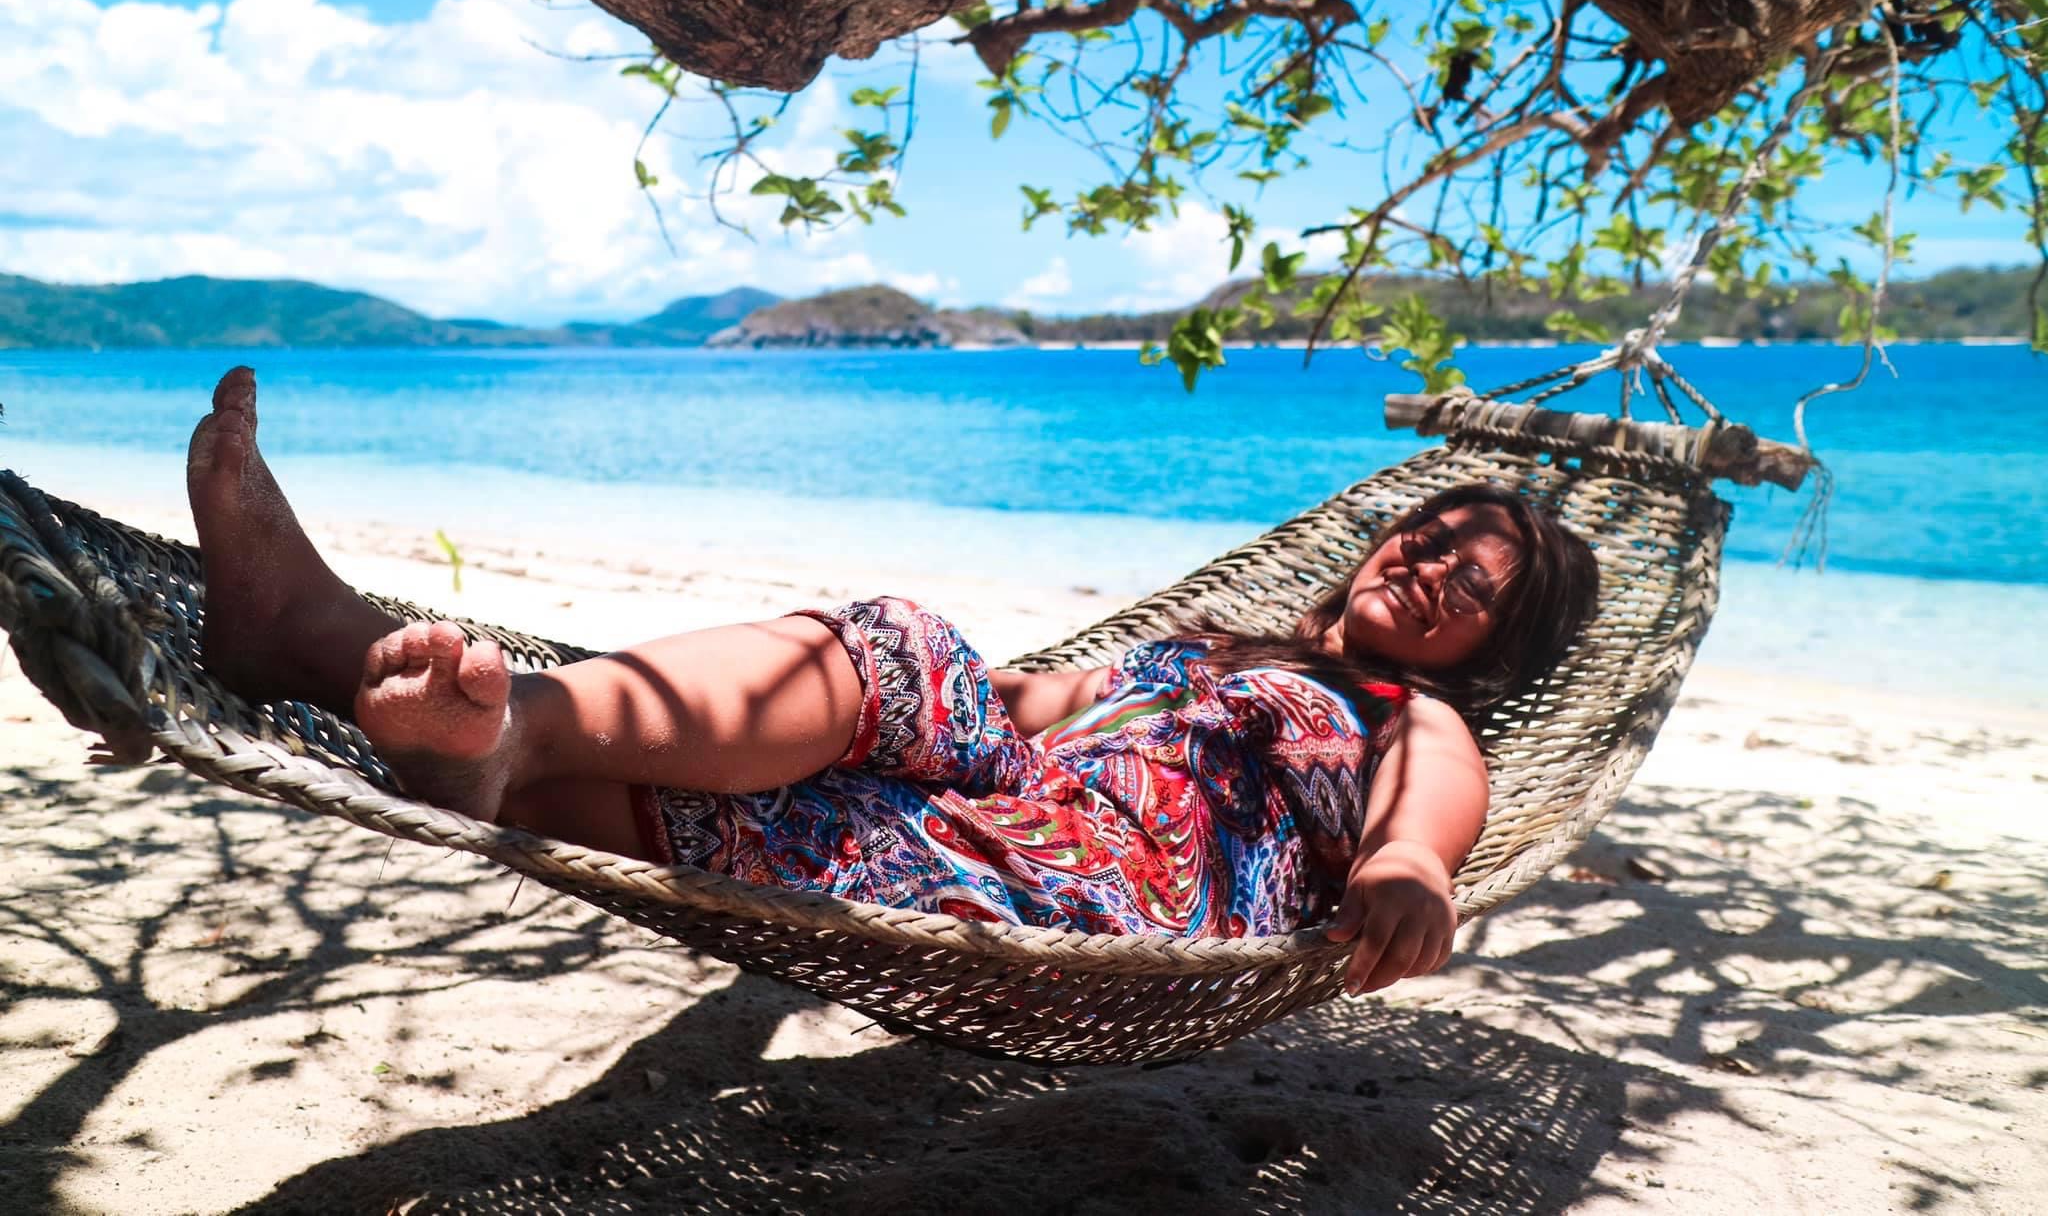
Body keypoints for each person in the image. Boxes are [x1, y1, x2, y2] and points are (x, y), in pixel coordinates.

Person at [185, 367, 1599, 996]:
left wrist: (1410, 862)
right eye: (1427, 536)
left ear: (1482, 652)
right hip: (1017, 778)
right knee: (899, 643)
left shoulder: (1415, 721)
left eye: (1467, 589)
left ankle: (328, 650)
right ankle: (501, 727)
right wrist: (920, 702)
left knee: (819, 833)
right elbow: (1037, 704)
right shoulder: (1231, 644)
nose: (1424, 568)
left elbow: (1429, 802)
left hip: (1103, 887)